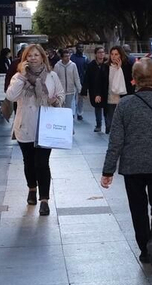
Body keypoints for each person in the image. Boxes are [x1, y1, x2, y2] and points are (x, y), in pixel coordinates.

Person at [101, 58, 152, 274]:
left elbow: (116, 141)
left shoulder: (125, 104)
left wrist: (108, 171)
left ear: (133, 81)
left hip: (132, 166)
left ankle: (144, 249)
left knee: (137, 208)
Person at [5, 44, 64, 216]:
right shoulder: (18, 77)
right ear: (24, 58)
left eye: (36, 55)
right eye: (29, 55)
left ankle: (44, 200)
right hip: (25, 125)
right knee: (29, 162)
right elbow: (11, 96)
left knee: (42, 163)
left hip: (46, 126)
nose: (33, 58)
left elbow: (60, 94)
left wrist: (56, 100)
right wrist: (23, 77)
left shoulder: (51, 76)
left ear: (43, 57)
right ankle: (32, 188)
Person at [87, 45, 134, 134]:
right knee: (110, 124)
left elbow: (133, 79)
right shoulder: (105, 66)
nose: (114, 56)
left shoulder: (127, 66)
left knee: (122, 122)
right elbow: (99, 82)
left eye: (116, 54)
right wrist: (98, 94)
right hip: (109, 99)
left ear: (121, 55)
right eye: (112, 54)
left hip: (123, 99)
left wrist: (132, 85)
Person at [54, 48, 83, 115]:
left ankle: (68, 121)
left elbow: (76, 78)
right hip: (60, 92)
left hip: (70, 91)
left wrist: (80, 89)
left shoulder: (73, 65)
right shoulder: (57, 66)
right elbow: (54, 79)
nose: (67, 58)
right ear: (62, 57)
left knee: (68, 108)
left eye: (68, 56)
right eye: (65, 56)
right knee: (60, 108)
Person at [69, 46, 90, 121]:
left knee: (81, 98)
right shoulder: (72, 57)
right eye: (79, 47)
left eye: (82, 47)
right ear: (76, 49)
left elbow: (88, 70)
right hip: (72, 80)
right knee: (73, 98)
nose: (80, 48)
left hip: (82, 81)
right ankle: (72, 113)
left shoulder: (85, 58)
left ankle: (79, 113)